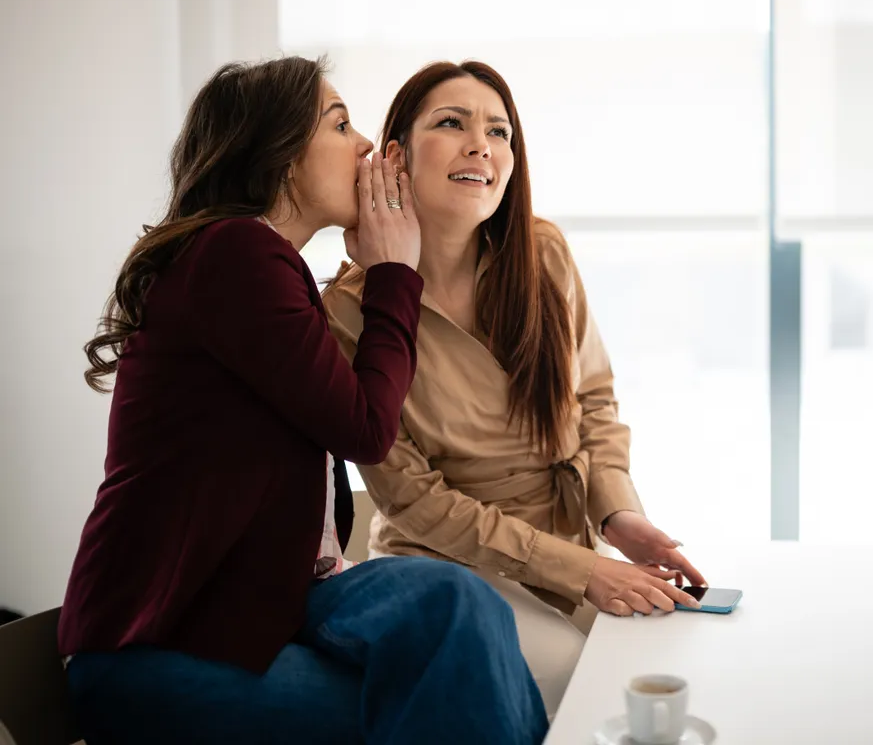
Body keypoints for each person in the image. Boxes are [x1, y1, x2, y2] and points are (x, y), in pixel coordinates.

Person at [58, 56, 548, 744]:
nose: (366, 147)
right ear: (281, 155)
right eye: (341, 124)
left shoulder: (265, 269)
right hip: (152, 650)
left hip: (277, 600)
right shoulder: (234, 254)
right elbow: (366, 427)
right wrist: (393, 275)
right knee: (449, 704)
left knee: (458, 601)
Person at [323, 60, 707, 718]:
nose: (482, 144)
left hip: (572, 547)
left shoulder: (543, 253)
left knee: (673, 667)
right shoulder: (350, 313)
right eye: (452, 123)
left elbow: (595, 399)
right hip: (453, 572)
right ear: (396, 155)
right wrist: (585, 573)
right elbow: (415, 503)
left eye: (500, 132)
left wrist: (619, 515)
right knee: (590, 692)